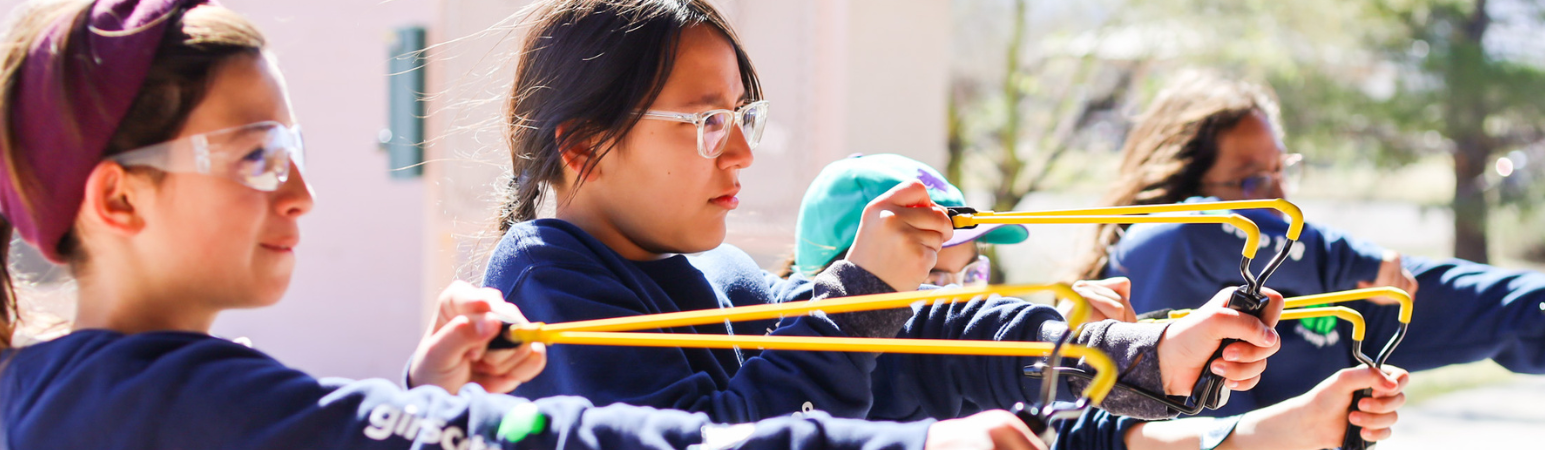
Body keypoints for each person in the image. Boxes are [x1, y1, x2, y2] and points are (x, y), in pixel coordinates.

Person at [0, 0, 1044, 448]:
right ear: (118, 197)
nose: (302, 196)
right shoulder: (173, 401)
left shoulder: (61, 387)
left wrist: (418, 399)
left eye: (299, 154)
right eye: (255, 157)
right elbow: (571, 437)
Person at [481, 0, 1288, 435]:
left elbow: (915, 355)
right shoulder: (546, 280)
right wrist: (863, 285)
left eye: (743, 119)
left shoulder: (717, 273)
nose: (740, 157)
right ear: (585, 146)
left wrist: (1142, 352)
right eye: (705, 124)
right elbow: (712, 438)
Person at [1074, 69, 1545, 417]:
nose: (1276, 194)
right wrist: (1351, 263)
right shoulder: (1151, 249)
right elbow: (1216, 229)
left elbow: (1470, 302)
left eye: (1280, 172)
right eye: (1250, 179)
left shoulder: (1298, 292)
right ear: (1189, 179)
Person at [783, 153, 1412, 449]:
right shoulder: (796, 358)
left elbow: (1111, 442)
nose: (962, 304)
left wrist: (1288, 428)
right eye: (934, 283)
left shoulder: (967, 358)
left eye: (971, 277)